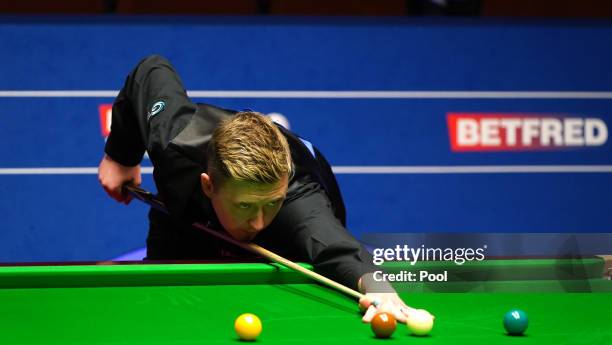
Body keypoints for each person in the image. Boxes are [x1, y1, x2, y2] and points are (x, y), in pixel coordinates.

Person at [98, 55, 414, 322]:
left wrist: (378, 287)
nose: (258, 221)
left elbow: (335, 246)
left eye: (270, 204)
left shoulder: (296, 201)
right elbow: (151, 70)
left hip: (286, 233)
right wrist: (120, 155)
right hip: (186, 214)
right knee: (163, 304)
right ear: (209, 186)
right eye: (246, 207)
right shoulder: (175, 145)